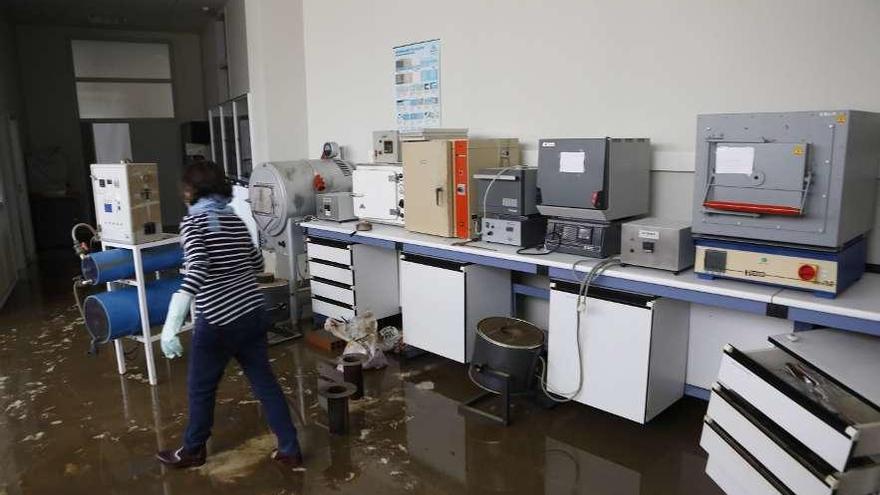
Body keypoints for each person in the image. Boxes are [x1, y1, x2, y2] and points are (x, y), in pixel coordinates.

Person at [155, 160, 303, 469]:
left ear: (192, 191)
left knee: (201, 388)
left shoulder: (193, 223)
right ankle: (289, 447)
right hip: (251, 313)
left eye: (186, 188)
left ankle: (193, 450)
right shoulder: (234, 218)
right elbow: (256, 263)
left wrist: (173, 320)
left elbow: (197, 269)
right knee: (264, 383)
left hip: (219, 321)